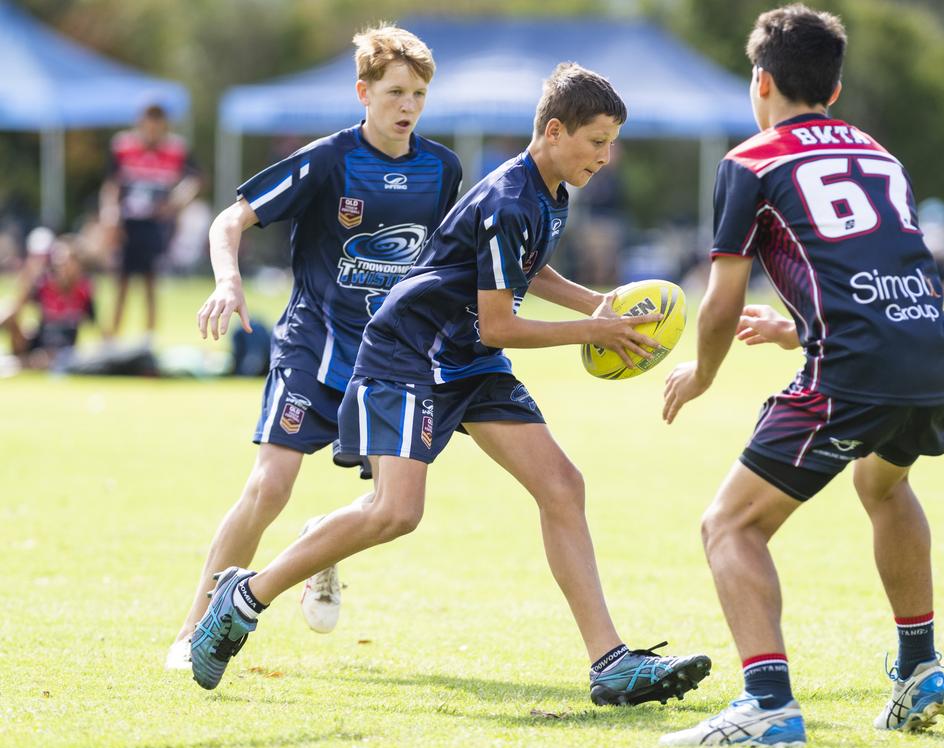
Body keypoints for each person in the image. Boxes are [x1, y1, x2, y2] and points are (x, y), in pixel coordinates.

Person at [189, 62, 713, 705]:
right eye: (597, 141)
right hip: (409, 350)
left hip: (464, 356)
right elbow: (499, 324)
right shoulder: (508, 198)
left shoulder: (549, 193)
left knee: (562, 485)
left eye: (610, 143)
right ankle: (245, 596)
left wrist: (594, 305)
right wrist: (590, 334)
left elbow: (523, 271)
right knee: (396, 512)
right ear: (554, 131)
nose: (606, 157)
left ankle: (609, 663)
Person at [658, 4, 944, 748]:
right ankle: (920, 666)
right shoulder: (880, 155)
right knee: (882, 484)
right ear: (833, 87)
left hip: (854, 367)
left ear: (761, 81)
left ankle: (766, 704)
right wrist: (798, 327)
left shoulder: (752, 160)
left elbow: (723, 296)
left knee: (730, 524)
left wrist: (702, 370)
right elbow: (880, 270)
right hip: (929, 349)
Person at [165, 25, 463, 669]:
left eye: (416, 94)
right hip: (314, 350)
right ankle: (194, 629)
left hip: (391, 360)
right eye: (392, 92)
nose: (406, 105)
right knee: (269, 486)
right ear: (363, 92)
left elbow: (444, 259)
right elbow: (230, 218)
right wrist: (227, 278)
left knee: (392, 506)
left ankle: (315, 547)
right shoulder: (328, 159)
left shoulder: (441, 169)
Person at [100, 103, 200, 340]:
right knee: (121, 281)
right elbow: (111, 183)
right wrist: (109, 213)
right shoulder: (123, 146)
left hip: (155, 225)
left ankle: (148, 338)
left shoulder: (176, 149)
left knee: (150, 282)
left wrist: (175, 204)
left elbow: (195, 179)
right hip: (128, 223)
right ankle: (112, 337)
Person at [0, 233, 95, 370]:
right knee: (9, 312)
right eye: (59, 263)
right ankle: (20, 362)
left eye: (67, 262)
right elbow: (16, 306)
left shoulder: (83, 291)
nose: (62, 267)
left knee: (44, 360)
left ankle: (17, 363)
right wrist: (29, 274)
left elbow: (96, 326)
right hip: (38, 343)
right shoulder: (43, 285)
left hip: (62, 351)